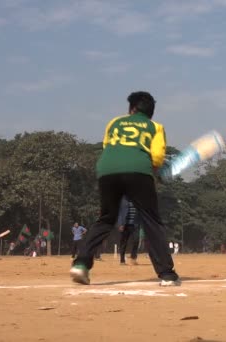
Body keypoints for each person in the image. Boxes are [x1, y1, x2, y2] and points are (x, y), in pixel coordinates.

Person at [70, 91, 180, 286]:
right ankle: (166, 274)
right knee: (151, 221)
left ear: (131, 109)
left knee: (106, 219)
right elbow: (155, 157)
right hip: (138, 170)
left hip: (106, 169)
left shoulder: (114, 123)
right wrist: (153, 171)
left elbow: (108, 146)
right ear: (151, 113)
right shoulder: (155, 127)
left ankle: (81, 264)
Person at [117, 196, 141, 265]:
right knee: (123, 243)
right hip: (125, 225)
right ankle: (122, 260)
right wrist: (120, 224)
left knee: (136, 240)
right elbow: (120, 213)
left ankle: (133, 257)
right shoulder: (123, 200)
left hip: (135, 224)